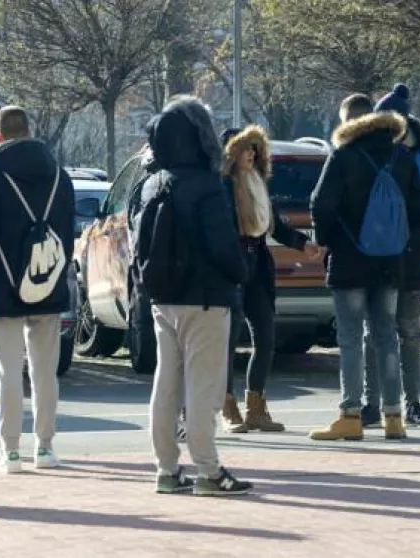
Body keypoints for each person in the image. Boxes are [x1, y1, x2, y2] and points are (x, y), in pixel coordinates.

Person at [138, 95, 252, 496]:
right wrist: (241, 271)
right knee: (203, 388)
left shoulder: (151, 183)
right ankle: (208, 470)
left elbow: (141, 247)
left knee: (165, 384)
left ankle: (167, 469)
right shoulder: (205, 185)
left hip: (162, 298)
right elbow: (222, 245)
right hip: (206, 298)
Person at [308, 94, 420, 442]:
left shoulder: (344, 156)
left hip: (350, 259)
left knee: (349, 338)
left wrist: (327, 239)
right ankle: (394, 416)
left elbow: (321, 202)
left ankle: (350, 413)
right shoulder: (402, 158)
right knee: (386, 335)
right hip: (391, 262)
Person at [0, 105, 75, 474]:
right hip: (48, 283)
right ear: (29, 130)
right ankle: (45, 447)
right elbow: (66, 236)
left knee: (8, 372)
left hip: (2, 286)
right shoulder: (60, 175)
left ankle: (10, 451)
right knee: (45, 372)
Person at [361, 84, 420, 429]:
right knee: (375, 332)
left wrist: (413, 209)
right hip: (378, 257)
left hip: (411, 257)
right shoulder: (369, 155)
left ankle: (412, 402)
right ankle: (372, 402)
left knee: (409, 331)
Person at [219, 125, 322, 433]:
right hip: (232, 265)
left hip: (258, 264)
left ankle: (256, 407)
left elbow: (275, 226)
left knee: (265, 337)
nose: (250, 154)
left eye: (254, 149)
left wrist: (304, 244)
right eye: (244, 148)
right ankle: (228, 408)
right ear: (231, 153)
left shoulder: (258, 184)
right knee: (226, 340)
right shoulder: (223, 185)